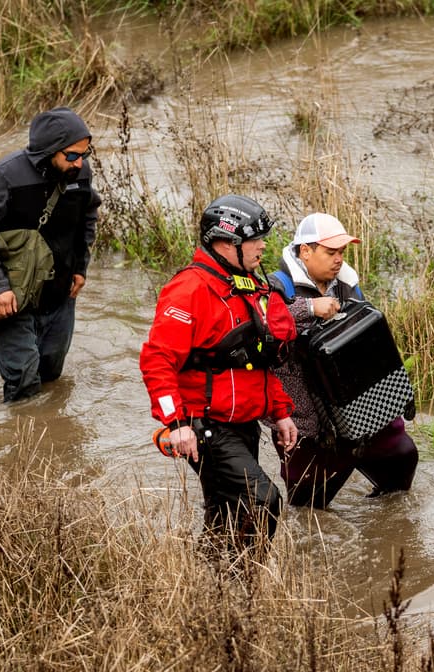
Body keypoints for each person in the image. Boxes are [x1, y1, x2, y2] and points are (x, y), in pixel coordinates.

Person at [140, 194, 298, 550]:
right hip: (206, 426)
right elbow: (157, 360)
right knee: (264, 500)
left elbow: (259, 362)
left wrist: (281, 412)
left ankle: (215, 586)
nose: (262, 247)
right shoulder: (188, 289)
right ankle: (245, 582)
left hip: (245, 424)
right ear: (226, 243)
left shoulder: (251, 286)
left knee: (225, 514)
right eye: (253, 240)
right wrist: (177, 424)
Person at [267, 212, 418, 508]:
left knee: (401, 459)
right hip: (306, 419)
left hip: (359, 404)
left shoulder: (347, 283)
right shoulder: (277, 288)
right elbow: (265, 327)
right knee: (308, 504)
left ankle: (387, 522)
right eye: (330, 252)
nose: (338, 259)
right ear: (305, 251)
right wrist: (309, 308)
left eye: (342, 252)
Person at [0, 106, 100, 402]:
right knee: (24, 382)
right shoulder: (4, 176)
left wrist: (80, 268)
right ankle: (19, 440)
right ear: (51, 150)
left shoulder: (80, 174)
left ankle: (51, 437)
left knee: (51, 374)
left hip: (60, 292)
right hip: (12, 298)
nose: (79, 163)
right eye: (72, 155)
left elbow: (87, 217)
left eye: (85, 154)